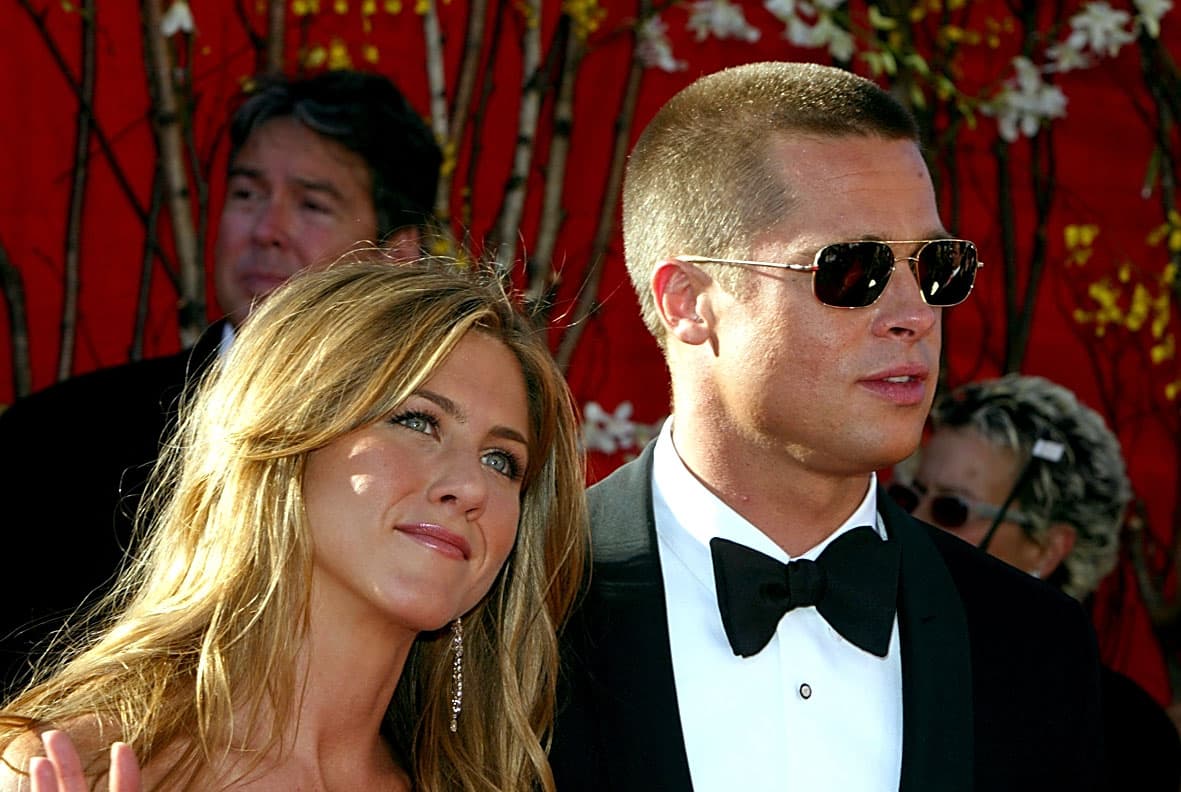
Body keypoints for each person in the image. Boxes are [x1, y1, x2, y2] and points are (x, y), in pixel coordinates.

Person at [550, 61, 1104, 791]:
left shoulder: (1032, 643)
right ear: (689, 302)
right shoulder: (519, 605)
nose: (914, 315)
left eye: (937, 266)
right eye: (852, 270)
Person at [0, 257, 588, 791]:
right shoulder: (69, 765)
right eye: (417, 421)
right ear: (286, 435)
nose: (471, 487)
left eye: (502, 461)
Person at [0, 69, 442, 692]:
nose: (266, 230)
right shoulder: (58, 439)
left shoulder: (443, 465)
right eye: (246, 194)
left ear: (396, 255)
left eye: (312, 204)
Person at [891, 373, 1181, 790]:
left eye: (952, 509)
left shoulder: (1124, 728)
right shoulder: (870, 649)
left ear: (1048, 548)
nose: (915, 522)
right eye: (907, 498)